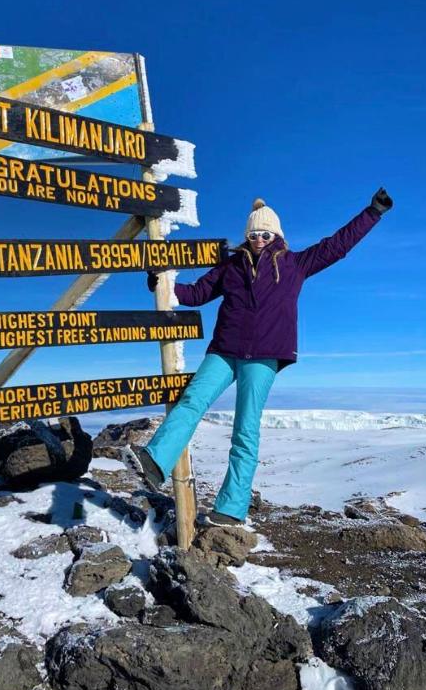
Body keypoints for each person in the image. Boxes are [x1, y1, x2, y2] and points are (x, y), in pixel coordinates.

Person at [134, 188, 393, 527]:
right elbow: (196, 293)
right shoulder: (231, 266)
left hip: (265, 356)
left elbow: (337, 245)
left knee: (245, 427)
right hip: (225, 349)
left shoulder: (296, 264)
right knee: (193, 399)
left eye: (265, 233)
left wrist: (372, 212)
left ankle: (231, 507)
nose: (258, 239)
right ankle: (156, 460)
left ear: (276, 235)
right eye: (254, 234)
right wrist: (164, 285)